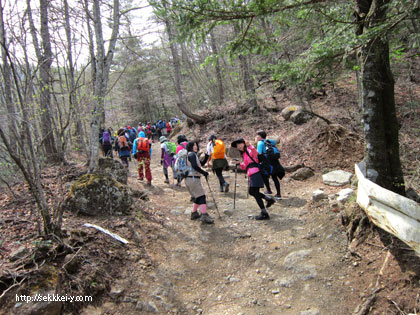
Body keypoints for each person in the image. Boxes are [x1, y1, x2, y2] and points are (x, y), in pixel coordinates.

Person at [231, 138, 275, 220]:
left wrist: (250, 146)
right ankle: (269, 200)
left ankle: (264, 213)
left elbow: (255, 154)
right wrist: (239, 163)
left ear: (243, 143)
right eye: (237, 145)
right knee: (252, 192)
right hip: (252, 174)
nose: (238, 146)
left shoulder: (249, 149)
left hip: (256, 173)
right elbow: (246, 166)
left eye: (239, 144)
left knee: (254, 192)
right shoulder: (244, 153)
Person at [185, 141, 213, 224]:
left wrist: (206, 157)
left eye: (196, 145)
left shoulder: (192, 155)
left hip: (191, 179)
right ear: (190, 146)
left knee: (198, 196)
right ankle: (204, 215)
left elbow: (199, 164)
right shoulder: (192, 154)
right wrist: (204, 173)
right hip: (193, 179)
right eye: (194, 145)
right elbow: (194, 166)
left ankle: (194, 213)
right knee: (202, 196)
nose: (196, 146)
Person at [256, 130, 285, 200]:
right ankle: (278, 194)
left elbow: (258, 154)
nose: (256, 137)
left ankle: (269, 190)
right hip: (274, 163)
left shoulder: (260, 143)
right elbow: (275, 142)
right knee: (274, 177)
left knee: (264, 176)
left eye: (257, 135)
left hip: (266, 164)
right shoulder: (269, 141)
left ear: (260, 136)